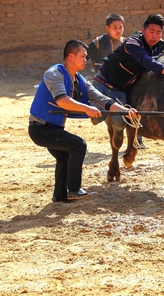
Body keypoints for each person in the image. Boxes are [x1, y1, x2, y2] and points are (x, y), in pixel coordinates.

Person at [28, 39, 139, 203]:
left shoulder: (78, 79)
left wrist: (125, 111)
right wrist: (87, 109)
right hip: (40, 129)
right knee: (79, 145)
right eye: (83, 56)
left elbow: (101, 99)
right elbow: (62, 100)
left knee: (64, 156)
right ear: (71, 56)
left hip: (52, 128)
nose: (86, 60)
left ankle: (60, 196)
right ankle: (73, 190)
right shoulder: (54, 73)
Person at [93, 13, 164, 149]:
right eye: (151, 32)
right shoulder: (133, 42)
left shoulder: (160, 46)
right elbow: (144, 59)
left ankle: (117, 132)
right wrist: (163, 70)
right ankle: (100, 116)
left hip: (120, 90)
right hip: (101, 83)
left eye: (158, 33)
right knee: (97, 117)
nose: (154, 36)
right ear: (143, 30)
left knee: (120, 122)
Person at [85, 14, 149, 146]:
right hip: (102, 84)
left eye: (120, 27)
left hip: (121, 85)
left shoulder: (128, 44)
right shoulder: (98, 43)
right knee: (97, 117)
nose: (118, 30)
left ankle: (138, 138)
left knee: (133, 103)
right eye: (115, 27)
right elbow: (83, 55)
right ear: (107, 28)